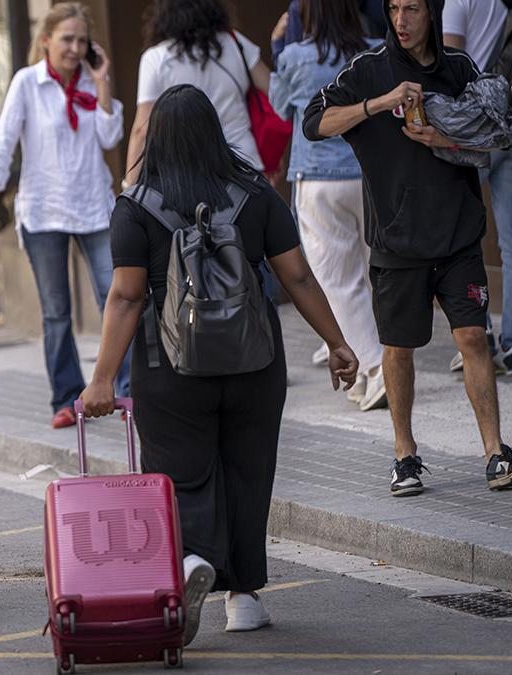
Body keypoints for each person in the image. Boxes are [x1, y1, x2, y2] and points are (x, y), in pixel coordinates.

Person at [79, 84, 359, 643]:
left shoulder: (134, 208)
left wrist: (102, 378)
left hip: (170, 367)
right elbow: (297, 275)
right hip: (255, 361)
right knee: (247, 474)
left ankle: (191, 562)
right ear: (214, 132)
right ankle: (245, 597)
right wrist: (338, 343)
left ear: (155, 137)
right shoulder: (255, 193)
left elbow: (128, 297)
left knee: (179, 474)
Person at [303, 0, 512, 495]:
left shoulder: (460, 69)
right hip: (396, 239)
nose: (401, 21)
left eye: (412, 9)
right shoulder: (370, 70)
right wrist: (376, 103)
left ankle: (497, 455)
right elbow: (313, 122)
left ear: (432, 12)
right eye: (393, 9)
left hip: (457, 234)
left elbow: (498, 134)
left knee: (474, 339)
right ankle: (405, 457)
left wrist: (445, 136)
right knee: (398, 350)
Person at [0, 2, 131, 429]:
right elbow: (2, 144)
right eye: (67, 39)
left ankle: (126, 390)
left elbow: (112, 136)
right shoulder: (27, 83)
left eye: (81, 40)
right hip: (43, 210)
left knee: (117, 298)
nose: (74, 48)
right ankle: (66, 398)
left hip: (93, 207)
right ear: (46, 40)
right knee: (57, 313)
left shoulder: (92, 86)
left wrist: (103, 81)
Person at [270, 0, 387, 412]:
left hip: (319, 179)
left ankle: (377, 367)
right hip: (372, 175)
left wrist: (277, 48)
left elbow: (279, 108)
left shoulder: (296, 57)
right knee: (378, 273)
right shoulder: (376, 48)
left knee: (338, 282)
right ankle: (377, 366)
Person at [443, 0, 512, 375]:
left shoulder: (460, 1)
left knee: (460, 230)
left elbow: (452, 66)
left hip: (479, 129)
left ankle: (478, 331)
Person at [126, 0, 272, 185]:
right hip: (244, 165)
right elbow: (274, 90)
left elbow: (142, 130)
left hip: (189, 177)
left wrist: (129, 188)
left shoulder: (156, 59)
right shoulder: (235, 42)